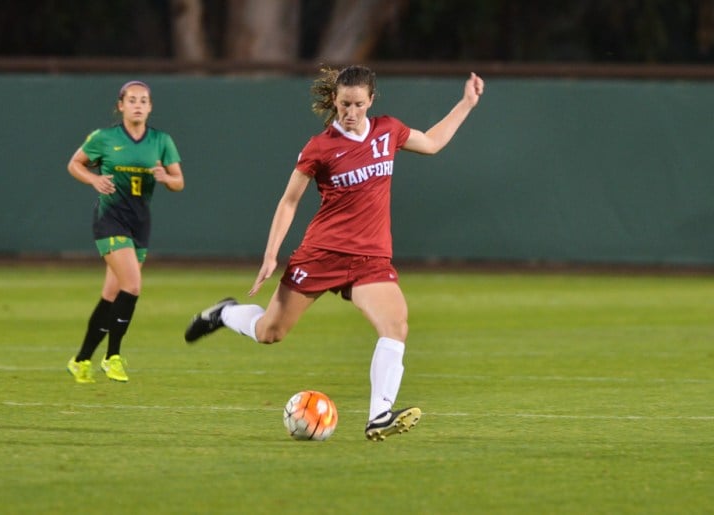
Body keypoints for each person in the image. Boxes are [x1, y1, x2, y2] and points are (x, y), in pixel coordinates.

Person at [185, 66, 484, 440]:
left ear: (371, 101)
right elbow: (289, 202)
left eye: (359, 104)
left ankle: (379, 416)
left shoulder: (388, 130)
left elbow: (432, 142)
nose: (352, 111)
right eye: (345, 103)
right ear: (334, 101)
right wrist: (270, 255)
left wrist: (466, 103)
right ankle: (225, 313)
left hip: (370, 260)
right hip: (321, 255)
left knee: (396, 325)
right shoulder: (320, 147)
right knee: (269, 332)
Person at [67, 80, 185, 384]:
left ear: (150, 107)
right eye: (131, 100)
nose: (137, 105)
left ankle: (80, 360)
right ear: (120, 105)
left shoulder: (161, 141)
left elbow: (179, 182)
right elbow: (74, 164)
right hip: (110, 219)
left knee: (112, 294)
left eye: (143, 100)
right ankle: (112, 357)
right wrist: (93, 180)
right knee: (132, 286)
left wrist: (165, 177)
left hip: (139, 222)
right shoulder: (103, 138)